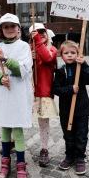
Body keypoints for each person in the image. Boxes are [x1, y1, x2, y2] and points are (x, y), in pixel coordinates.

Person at [0, 13, 33, 178]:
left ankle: (21, 166)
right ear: (1, 30)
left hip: (18, 94)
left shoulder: (24, 46)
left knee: (17, 128)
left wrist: (4, 59)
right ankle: (5, 164)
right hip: (2, 95)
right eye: (6, 27)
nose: (10, 29)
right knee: (4, 127)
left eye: (13, 26)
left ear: (18, 28)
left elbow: (23, 70)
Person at [53, 40, 89, 174]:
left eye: (73, 52)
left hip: (82, 109)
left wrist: (85, 65)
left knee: (81, 134)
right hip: (66, 110)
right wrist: (70, 89)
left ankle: (80, 157)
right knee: (68, 135)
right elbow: (56, 89)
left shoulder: (81, 68)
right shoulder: (60, 71)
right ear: (62, 55)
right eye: (66, 53)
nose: (70, 55)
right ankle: (69, 156)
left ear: (78, 54)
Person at [29, 23, 58, 167]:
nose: (40, 35)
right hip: (29, 93)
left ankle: (44, 148)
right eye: (36, 33)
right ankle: (13, 142)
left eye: (42, 32)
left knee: (43, 123)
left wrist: (38, 42)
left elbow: (47, 58)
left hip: (44, 92)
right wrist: (29, 57)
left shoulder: (52, 49)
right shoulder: (28, 50)